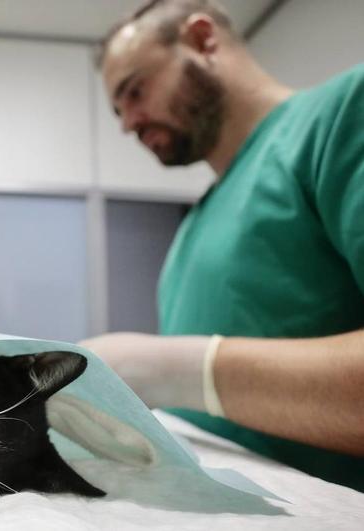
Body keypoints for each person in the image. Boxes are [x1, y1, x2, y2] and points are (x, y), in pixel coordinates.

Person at [82, 0, 364, 491]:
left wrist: (170, 370)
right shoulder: (191, 229)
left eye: (135, 91)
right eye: (118, 110)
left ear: (202, 40)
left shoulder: (341, 118)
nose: (127, 123)